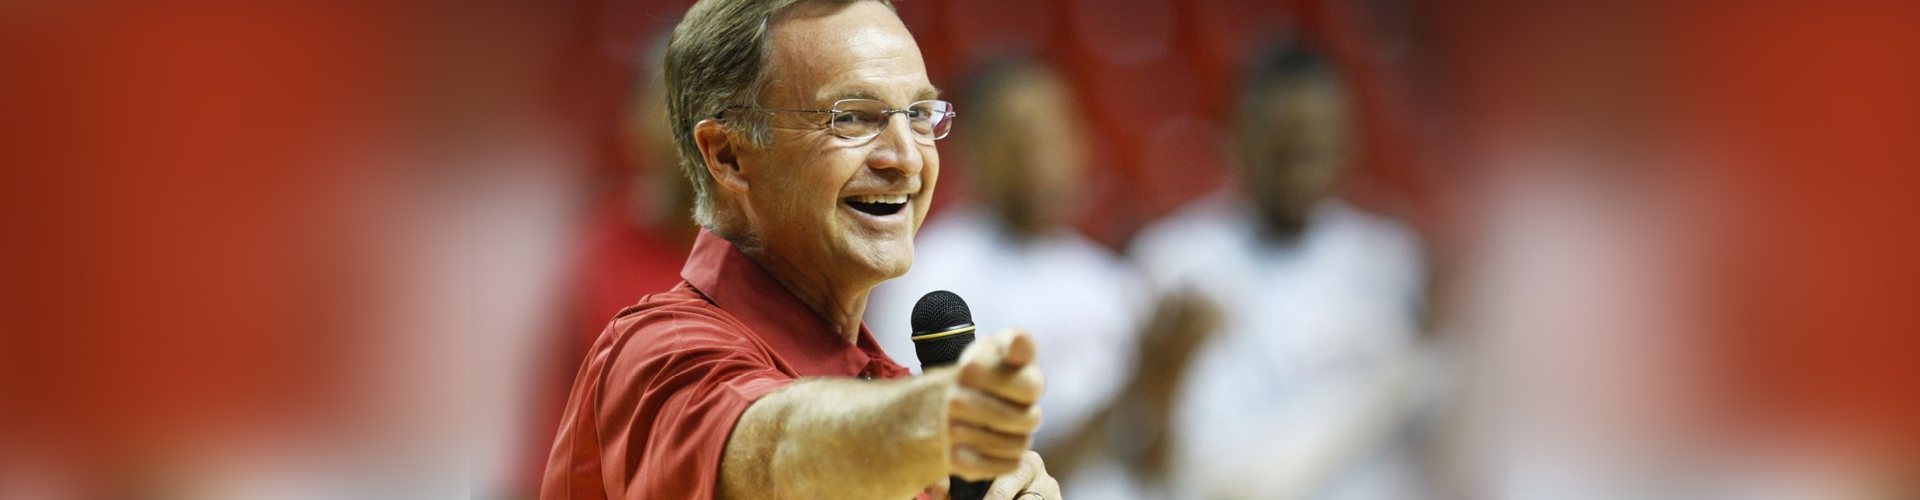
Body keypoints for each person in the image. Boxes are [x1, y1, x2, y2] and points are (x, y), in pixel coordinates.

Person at [540, 1, 1062, 499]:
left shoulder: (887, 397)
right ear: (729, 155)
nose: (907, 158)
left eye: (919, 113)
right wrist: (935, 424)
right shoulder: (657, 354)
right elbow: (775, 448)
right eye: (853, 117)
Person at [1129, 45, 1435, 500]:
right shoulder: (1174, 261)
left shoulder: (1392, 262)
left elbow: (1427, 428)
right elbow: (1165, 450)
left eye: (1312, 146)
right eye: (1281, 147)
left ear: (1346, 142)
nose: (1297, 168)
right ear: (1237, 137)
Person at [865, 59, 1147, 458]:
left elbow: (1156, 465)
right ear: (971, 151)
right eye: (1018, 139)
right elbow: (947, 466)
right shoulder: (931, 280)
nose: (1041, 159)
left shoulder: (1110, 279)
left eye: (1055, 134)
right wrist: (1136, 394)